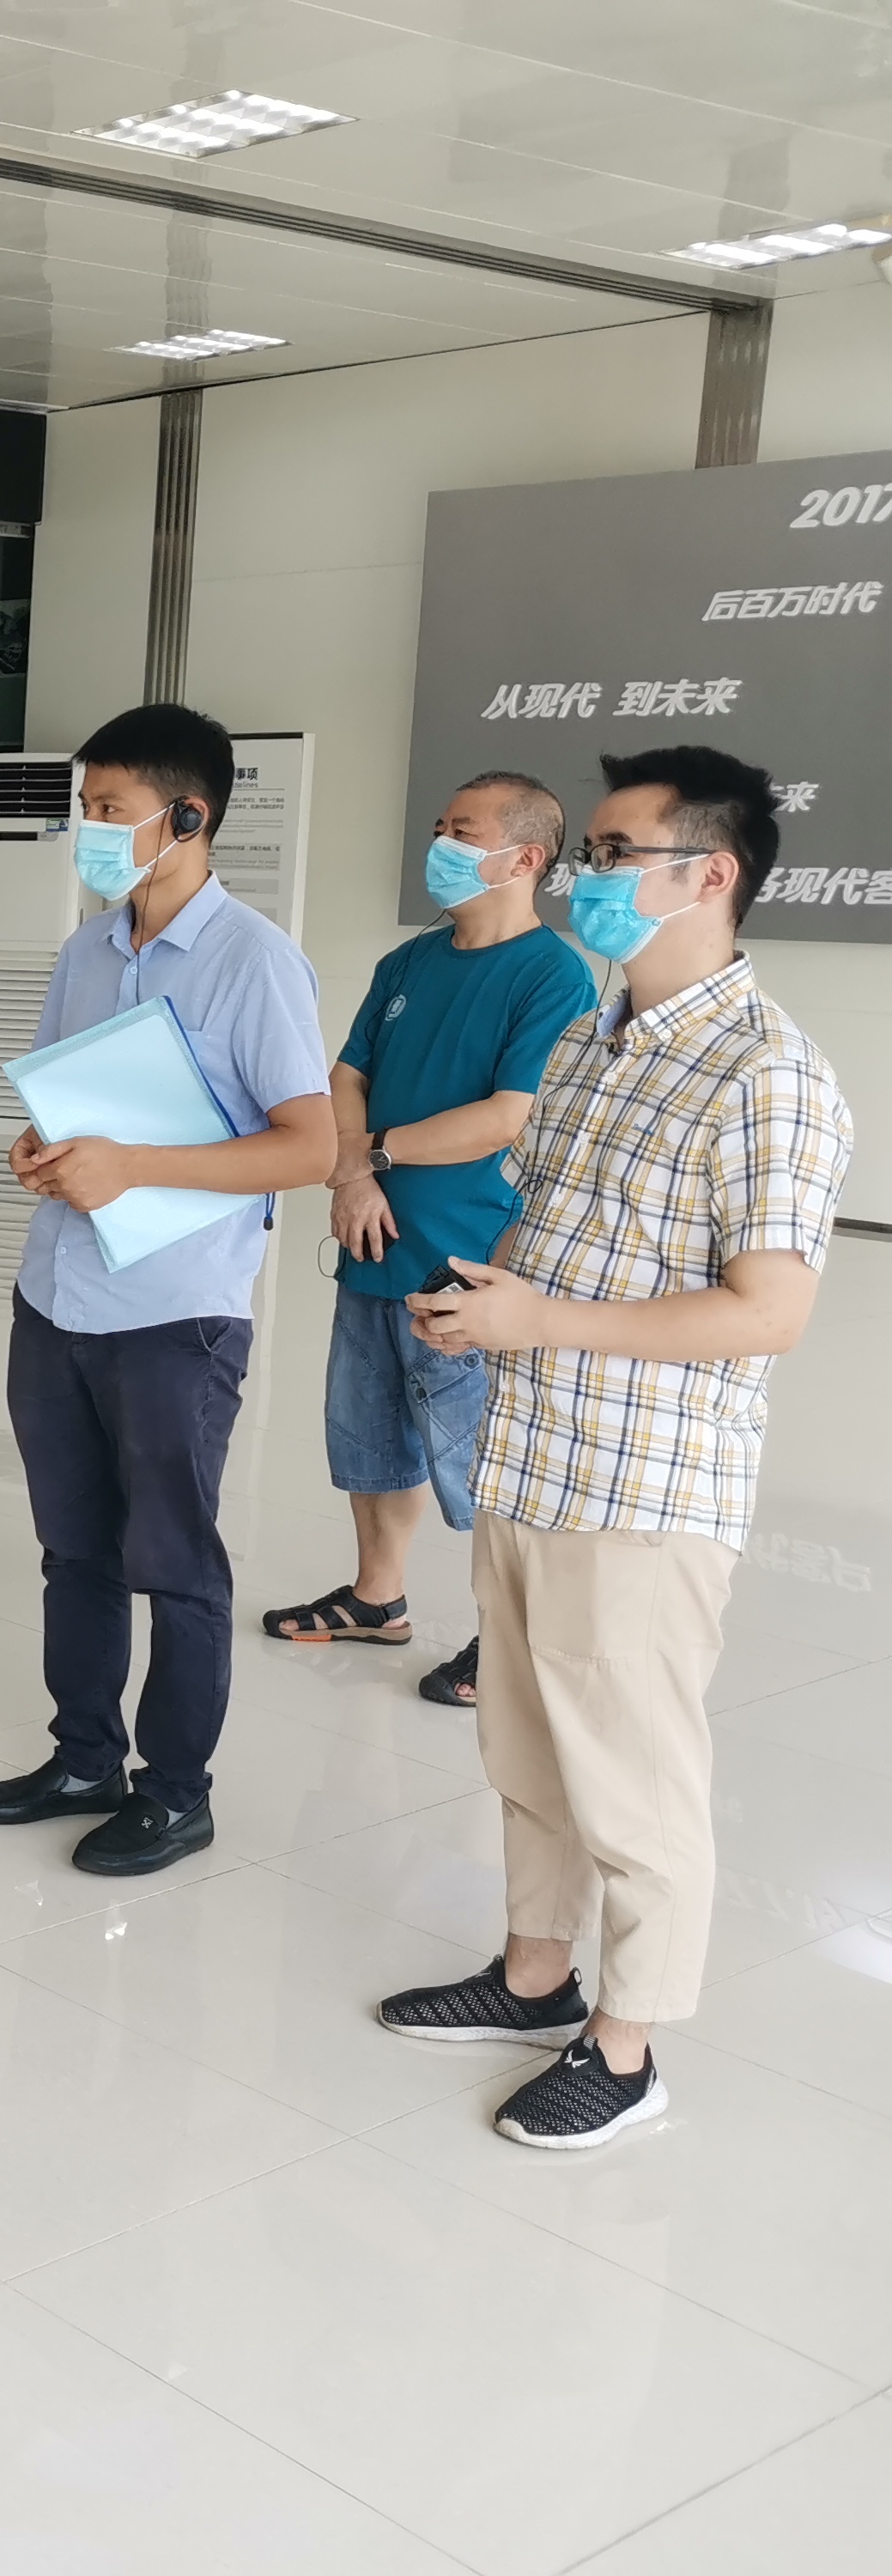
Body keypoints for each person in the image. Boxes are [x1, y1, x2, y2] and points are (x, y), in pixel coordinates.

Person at [386, 744, 850, 2149]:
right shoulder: (592, 1036)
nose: (585, 877)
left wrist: (544, 1316)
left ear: (711, 876)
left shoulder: (768, 1075)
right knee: (529, 1752)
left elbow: (768, 1314)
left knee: (633, 1782)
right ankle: (535, 1975)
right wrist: (493, 1299)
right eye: (586, 853)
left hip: (644, 1490)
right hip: (534, 1453)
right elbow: (560, 1223)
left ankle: (630, 2047)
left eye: (611, 854)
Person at [0, 702, 335, 1874]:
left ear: (186, 817)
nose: (89, 829)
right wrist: (42, 1152)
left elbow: (309, 1146)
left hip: (175, 1314)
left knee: (171, 1559)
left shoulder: (255, 962)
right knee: (72, 1548)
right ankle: (83, 1757)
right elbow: (64, 1105)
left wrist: (135, 1167)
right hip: (58, 1297)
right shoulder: (86, 950)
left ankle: (176, 1793)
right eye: (85, 808)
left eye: (109, 810)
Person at [261, 772, 592, 1706]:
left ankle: (513, 1639)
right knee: (367, 1434)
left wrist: (367, 1154)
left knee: (482, 1453)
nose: (439, 843)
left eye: (462, 832)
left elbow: (506, 1116)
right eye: (440, 826)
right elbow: (346, 1076)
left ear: (525, 858)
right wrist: (354, 1177)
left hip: (470, 1253)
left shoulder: (552, 975)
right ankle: (377, 1597)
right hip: (373, 1238)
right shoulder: (408, 962)